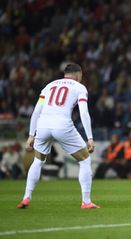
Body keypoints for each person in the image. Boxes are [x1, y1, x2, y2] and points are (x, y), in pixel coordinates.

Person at [17, 63, 100, 209]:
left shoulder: (49, 86)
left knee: (38, 161)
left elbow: (36, 111)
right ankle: (86, 201)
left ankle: (26, 198)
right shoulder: (79, 87)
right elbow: (84, 113)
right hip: (62, 125)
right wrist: (90, 138)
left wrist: (31, 135)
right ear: (78, 74)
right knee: (85, 159)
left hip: (42, 125)